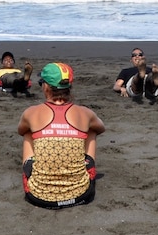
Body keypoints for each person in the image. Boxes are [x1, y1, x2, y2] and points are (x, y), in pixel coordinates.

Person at [17, 62, 106, 209]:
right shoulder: (84, 112)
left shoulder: (31, 112)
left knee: (28, 132)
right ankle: (83, 169)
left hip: (38, 196)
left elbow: (20, 130)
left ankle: (42, 175)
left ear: (45, 87)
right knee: (91, 130)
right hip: (80, 195)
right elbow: (101, 128)